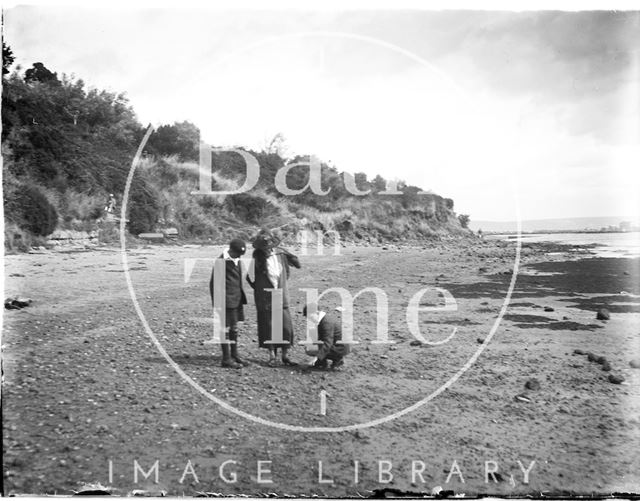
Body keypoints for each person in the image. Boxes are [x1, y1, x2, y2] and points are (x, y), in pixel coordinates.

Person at [247, 228, 301, 367]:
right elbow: (249, 277)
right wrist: (259, 289)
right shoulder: (257, 259)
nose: (268, 249)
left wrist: (288, 253)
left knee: (285, 325)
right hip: (265, 297)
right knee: (268, 325)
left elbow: (297, 264)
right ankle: (272, 356)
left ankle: (285, 356)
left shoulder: (280, 254)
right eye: (265, 247)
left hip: (281, 294)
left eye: (270, 246)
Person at [209, 238, 249, 369]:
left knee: (234, 328)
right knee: (225, 329)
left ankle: (234, 354)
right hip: (225, 301)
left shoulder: (236, 259)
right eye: (237, 254)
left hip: (236, 299)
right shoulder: (221, 261)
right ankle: (226, 358)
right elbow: (214, 284)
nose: (239, 256)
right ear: (231, 250)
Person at [302, 304, 350, 370]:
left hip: (340, 348)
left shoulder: (326, 322)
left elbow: (328, 343)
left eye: (310, 317)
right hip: (337, 345)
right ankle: (323, 362)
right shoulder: (322, 319)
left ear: (317, 312)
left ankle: (337, 359)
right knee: (311, 339)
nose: (309, 319)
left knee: (310, 349)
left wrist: (317, 357)